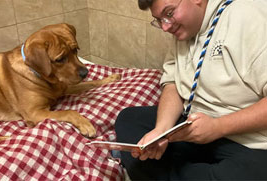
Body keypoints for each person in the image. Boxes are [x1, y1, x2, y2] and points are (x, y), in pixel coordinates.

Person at [114, 0, 267, 180]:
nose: (165, 27)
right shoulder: (183, 29)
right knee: (129, 120)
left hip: (248, 142)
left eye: (169, 13)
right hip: (194, 129)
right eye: (159, 19)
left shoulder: (250, 17)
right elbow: (173, 84)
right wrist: (161, 130)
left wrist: (218, 127)